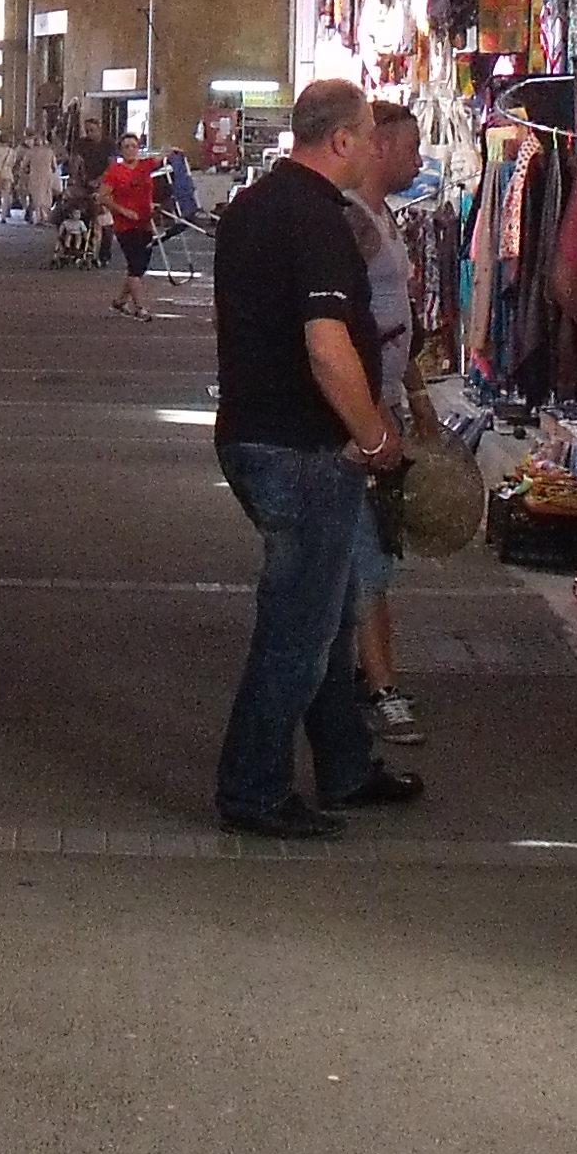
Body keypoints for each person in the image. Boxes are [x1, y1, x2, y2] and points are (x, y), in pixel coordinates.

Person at [207, 78, 422, 839]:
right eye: (367, 134)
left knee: (325, 623)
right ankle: (253, 787)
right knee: (298, 633)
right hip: (300, 448)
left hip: (257, 432)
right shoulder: (316, 220)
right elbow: (328, 350)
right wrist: (373, 436)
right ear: (339, 141)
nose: (374, 148)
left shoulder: (254, 207)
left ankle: (345, 764)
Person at [346, 101, 426, 747]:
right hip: (358, 410)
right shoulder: (355, 225)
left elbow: (399, 322)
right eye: (411, 147)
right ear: (378, 148)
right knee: (365, 552)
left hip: (385, 402)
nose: (419, 160)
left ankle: (360, 674)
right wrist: (366, 418)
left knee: (372, 550)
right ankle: (380, 686)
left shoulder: (386, 221)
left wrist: (416, 397)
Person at [100, 132, 165, 319]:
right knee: (135, 265)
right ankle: (139, 307)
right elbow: (103, 197)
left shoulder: (145, 166)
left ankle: (120, 301)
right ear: (121, 150)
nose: (130, 150)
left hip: (145, 223)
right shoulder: (114, 171)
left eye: (133, 146)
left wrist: (172, 151)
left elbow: (162, 158)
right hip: (125, 226)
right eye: (126, 146)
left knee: (139, 267)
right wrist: (122, 210)